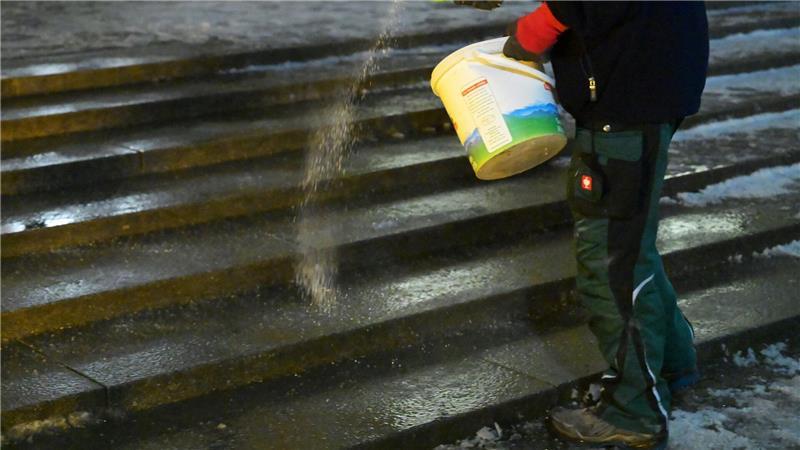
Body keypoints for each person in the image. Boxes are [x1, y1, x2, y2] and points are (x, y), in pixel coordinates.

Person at [462, 2, 709, 449]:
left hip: (625, 103)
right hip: (649, 85)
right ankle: (670, 362)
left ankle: (634, 411)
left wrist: (537, 28)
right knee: (630, 246)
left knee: (611, 261)